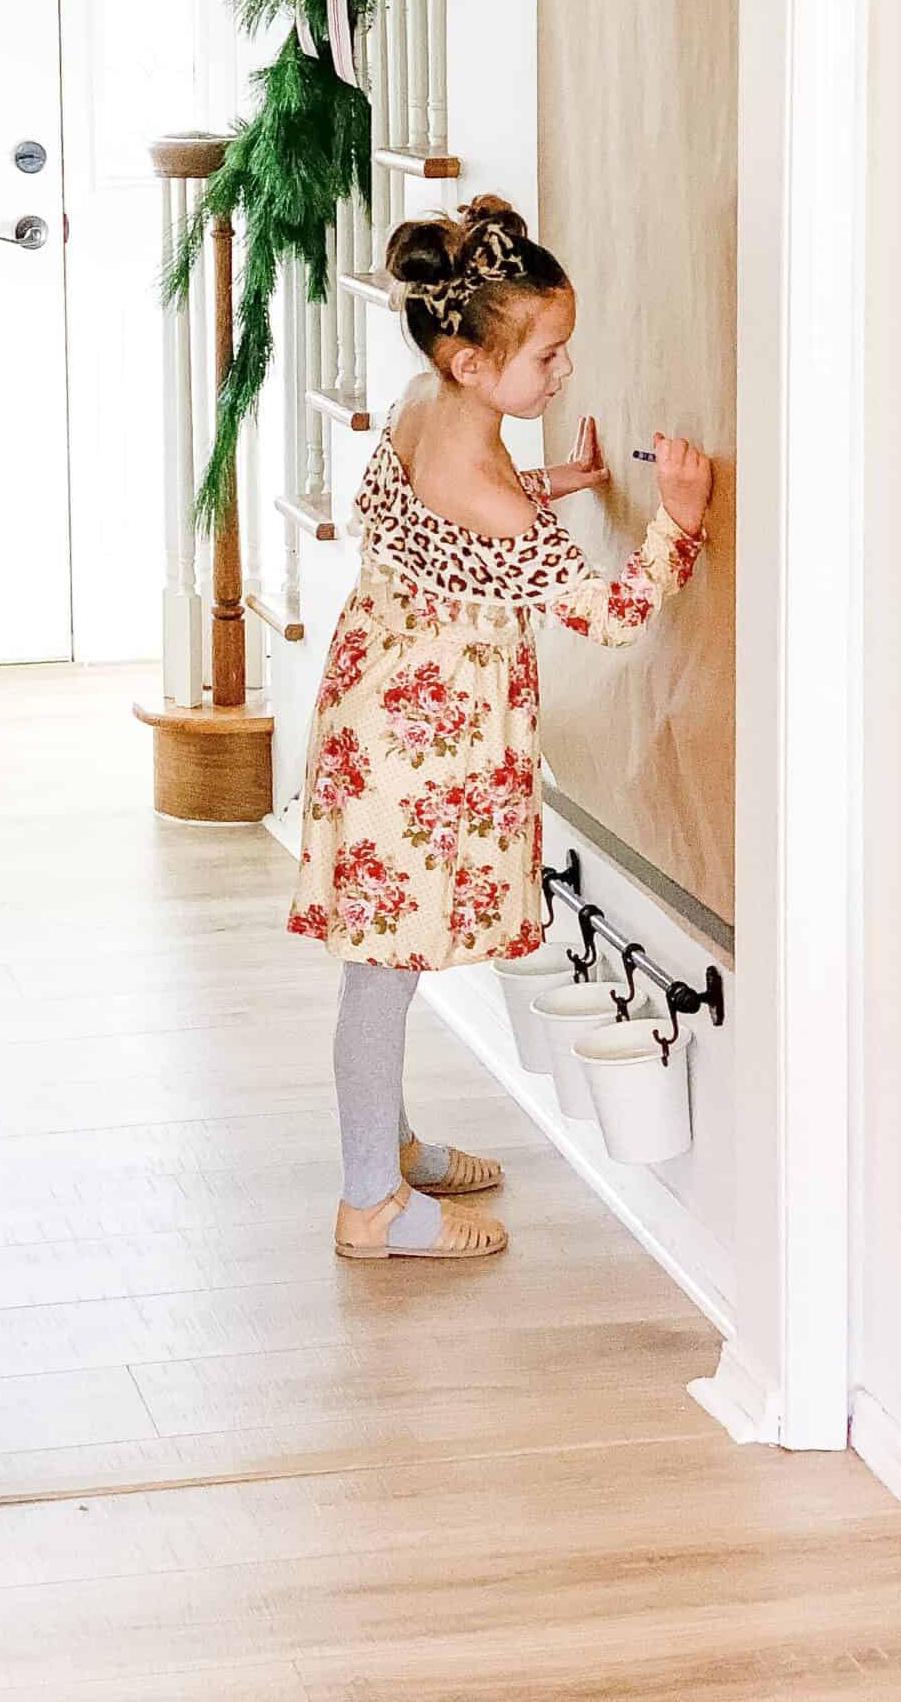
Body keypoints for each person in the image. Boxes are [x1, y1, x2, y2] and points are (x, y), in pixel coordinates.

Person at [286, 194, 714, 1262]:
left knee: (382, 963)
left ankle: (380, 1141)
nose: (563, 373)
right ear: (472, 360)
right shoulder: (494, 498)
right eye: (547, 356)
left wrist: (552, 481)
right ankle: (369, 1205)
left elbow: (440, 518)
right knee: (381, 976)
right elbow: (611, 616)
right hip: (416, 754)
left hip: (371, 710)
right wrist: (680, 521)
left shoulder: (419, 405)